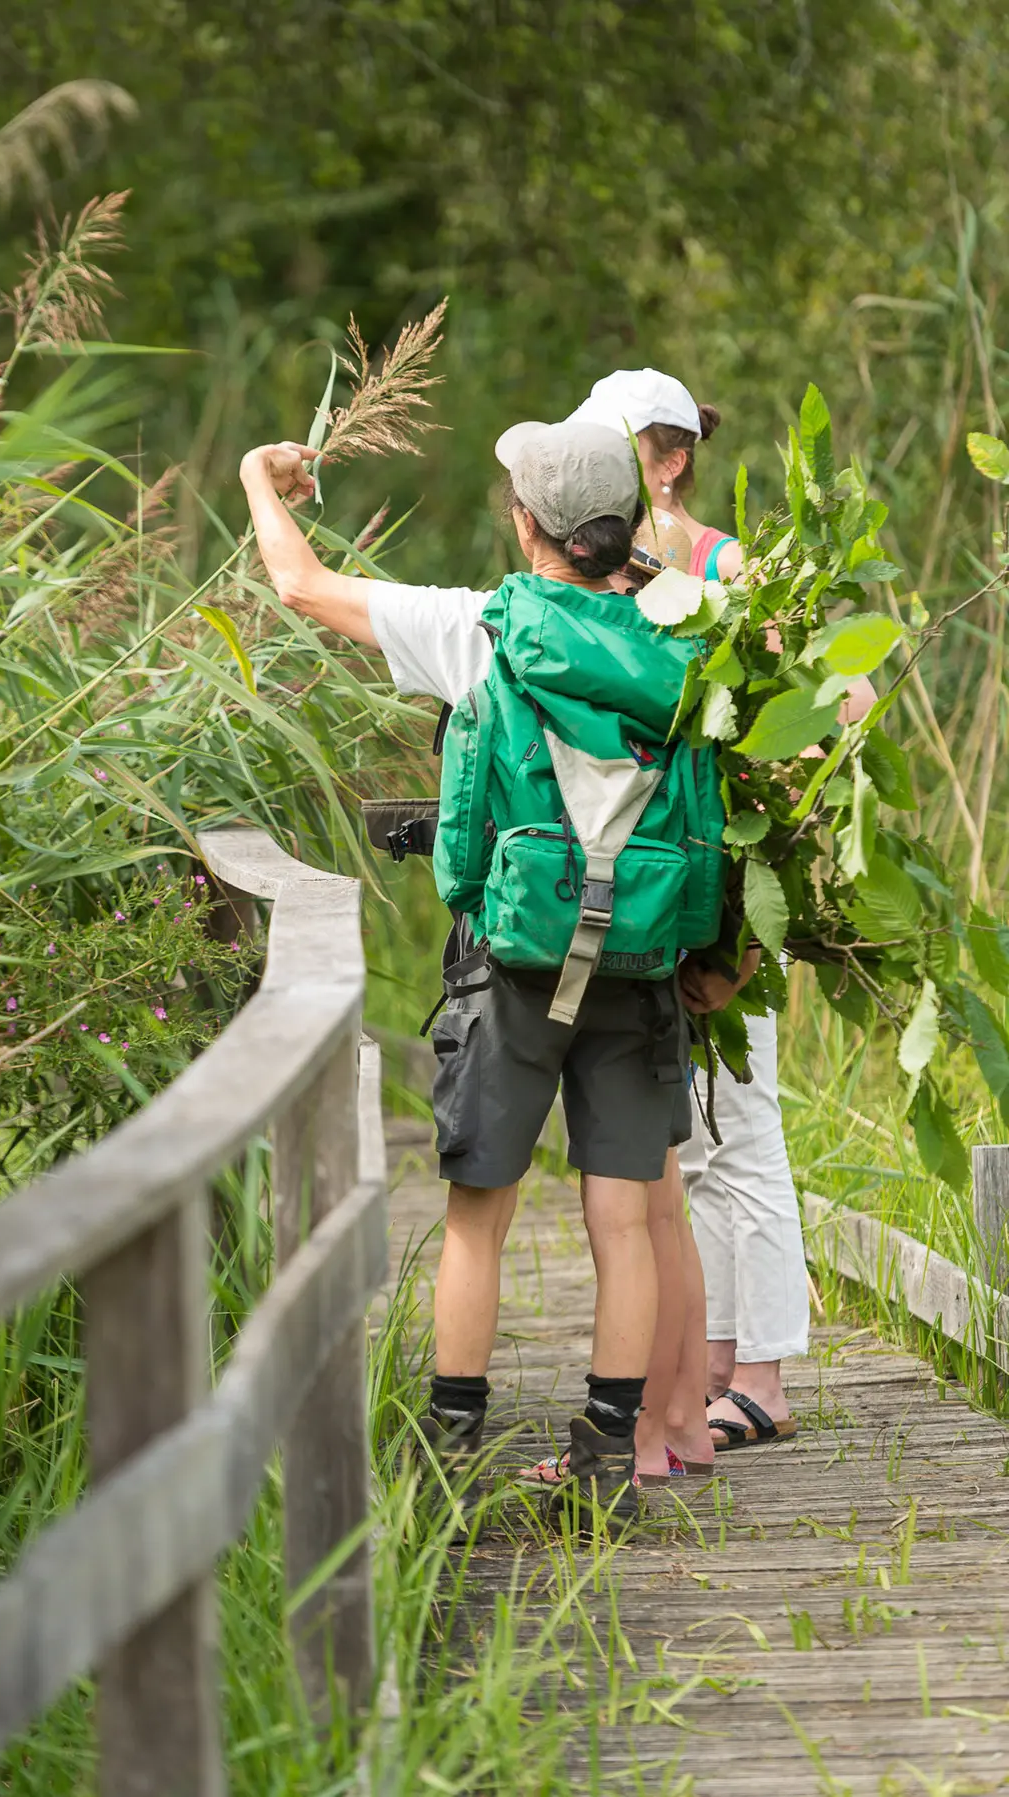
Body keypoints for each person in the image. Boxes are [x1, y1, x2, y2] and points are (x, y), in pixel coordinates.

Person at [239, 418, 754, 1529]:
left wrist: (256, 477)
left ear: (525, 522)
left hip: (512, 964)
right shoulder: (687, 639)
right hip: (641, 960)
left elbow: (297, 582)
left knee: (480, 1212)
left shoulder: (479, 627)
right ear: (619, 526)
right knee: (625, 1221)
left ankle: (448, 1451)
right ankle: (607, 1459)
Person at [571, 368, 874, 1453]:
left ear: (670, 457)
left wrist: (777, 847)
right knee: (678, 1143)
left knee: (743, 1125)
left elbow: (846, 699)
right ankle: (707, 1366)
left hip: (728, 882)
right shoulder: (595, 572)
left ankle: (769, 1375)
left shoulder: (723, 566)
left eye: (623, 450)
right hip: (648, 883)